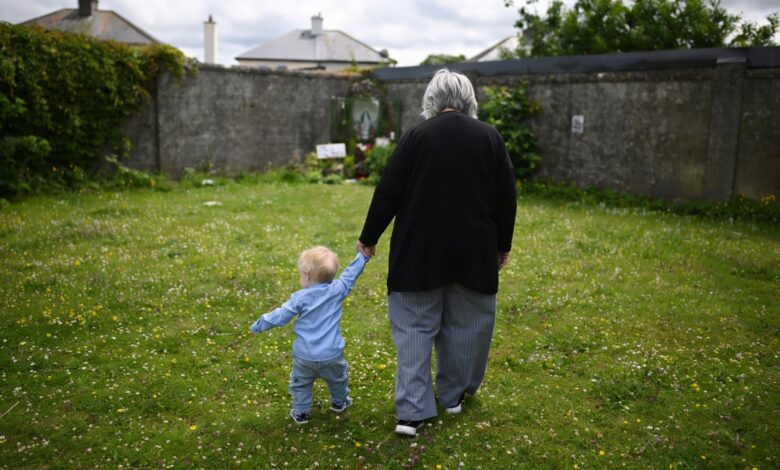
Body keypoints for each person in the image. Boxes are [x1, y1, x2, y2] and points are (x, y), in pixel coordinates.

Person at [357, 69, 517, 436]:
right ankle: (452, 397)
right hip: (473, 251)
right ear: (469, 100)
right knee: (467, 326)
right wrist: (502, 245)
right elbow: (506, 196)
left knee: (413, 328)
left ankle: (411, 414)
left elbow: (388, 191)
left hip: (418, 251)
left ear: (431, 99)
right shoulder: (490, 137)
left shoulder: (415, 137)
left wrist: (369, 236)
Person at [249, 246, 370, 424]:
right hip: (332, 354)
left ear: (306, 274)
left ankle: (300, 413)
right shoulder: (338, 290)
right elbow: (350, 274)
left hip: (304, 357)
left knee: (301, 384)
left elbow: (280, 316)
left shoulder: (300, 298)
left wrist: (258, 325)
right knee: (338, 380)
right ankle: (340, 402)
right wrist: (362, 257)